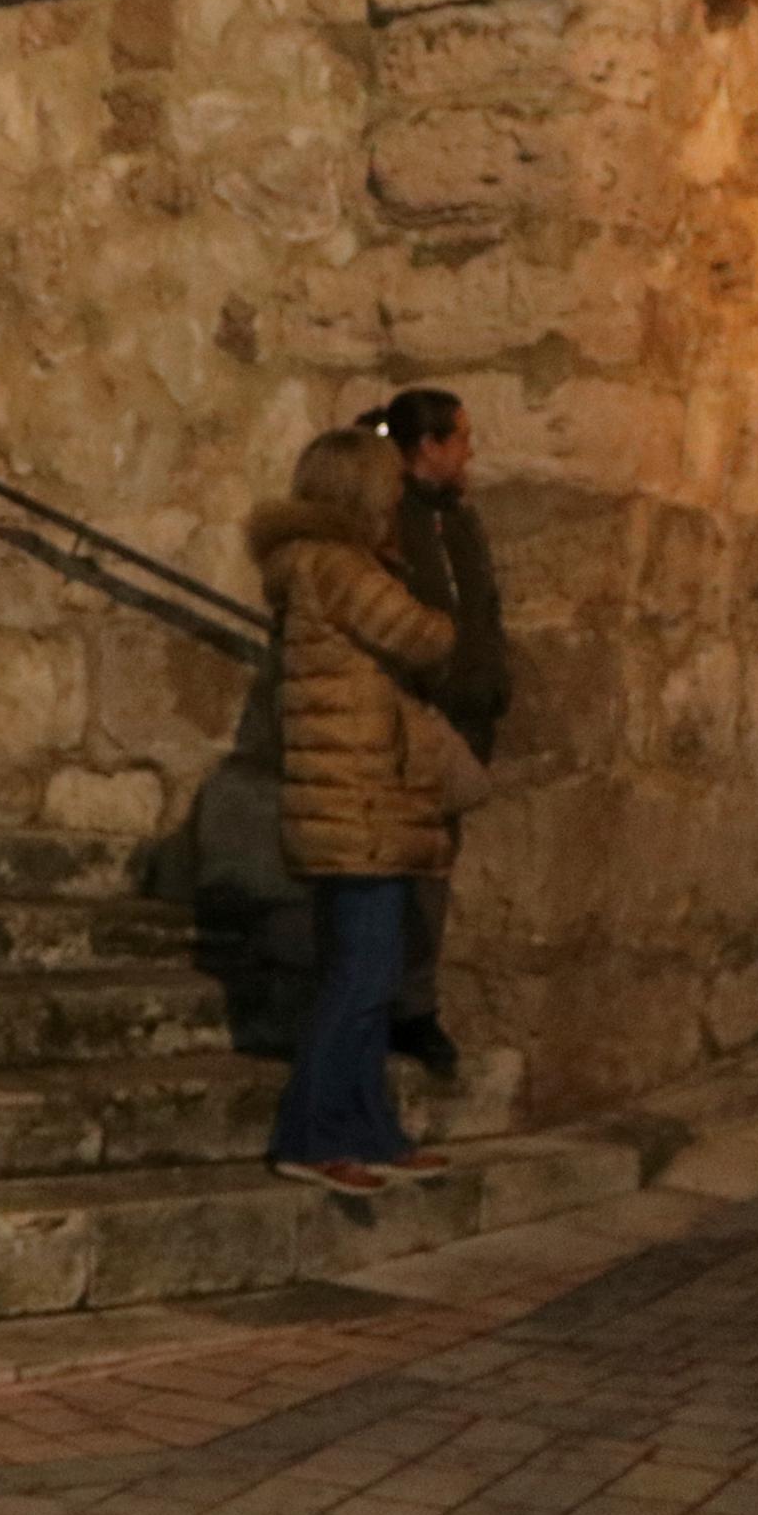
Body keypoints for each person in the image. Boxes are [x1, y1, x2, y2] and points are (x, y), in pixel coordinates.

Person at [252, 428, 460, 1195]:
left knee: (368, 972)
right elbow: (424, 633)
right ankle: (307, 1133)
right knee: (361, 975)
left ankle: (368, 1129)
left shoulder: (311, 565)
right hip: (356, 800)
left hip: (357, 798)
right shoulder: (338, 566)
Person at [360, 388, 506, 1076]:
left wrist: (491, 683)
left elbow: (481, 610)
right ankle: (389, 1009)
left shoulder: (460, 522)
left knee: (433, 872)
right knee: (395, 871)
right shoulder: (389, 520)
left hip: (462, 727)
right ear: (428, 447)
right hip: (412, 721)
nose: (469, 452)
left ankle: (412, 1003)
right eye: (462, 438)